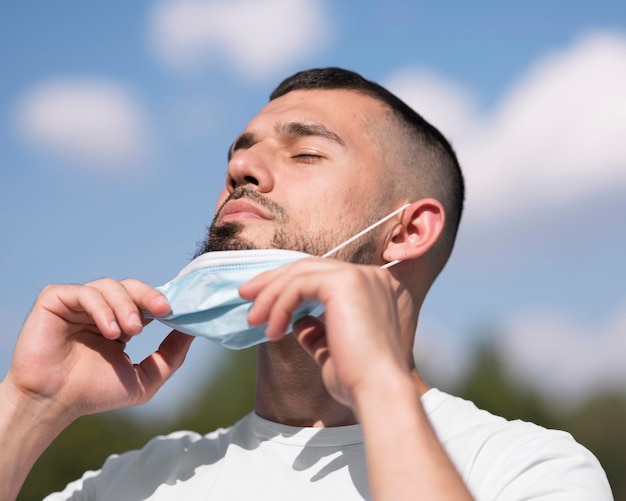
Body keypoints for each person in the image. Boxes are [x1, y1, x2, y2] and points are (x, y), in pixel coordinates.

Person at [0, 67, 612, 500]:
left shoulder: (523, 469)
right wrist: (31, 404)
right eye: (239, 157)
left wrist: (379, 383)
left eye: (305, 154)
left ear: (406, 231)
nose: (241, 170)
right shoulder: (137, 482)